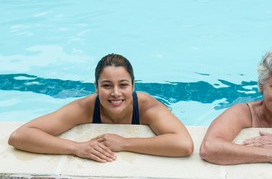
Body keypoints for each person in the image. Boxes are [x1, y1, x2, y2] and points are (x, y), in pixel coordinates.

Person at [8, 53, 193, 162]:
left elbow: (184, 145)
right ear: (96, 87)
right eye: (106, 85)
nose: (115, 93)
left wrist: (125, 143)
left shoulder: (147, 107)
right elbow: (20, 136)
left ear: (133, 86)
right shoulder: (85, 107)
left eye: (123, 85)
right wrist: (76, 148)